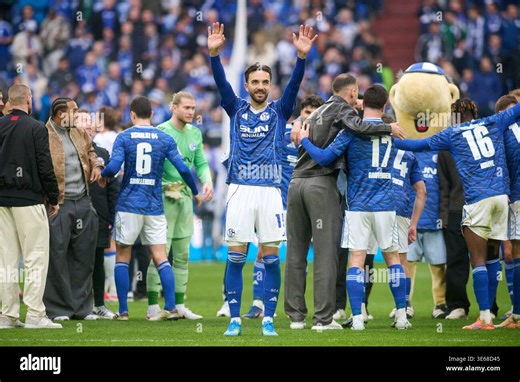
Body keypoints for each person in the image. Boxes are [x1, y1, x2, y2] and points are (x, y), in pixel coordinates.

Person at [208, 22, 317, 336]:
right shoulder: (235, 107)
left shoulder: (281, 110)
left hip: (270, 192)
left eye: (264, 82)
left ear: (270, 85)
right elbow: (220, 84)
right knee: (236, 258)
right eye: (254, 81)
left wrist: (301, 59)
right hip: (240, 190)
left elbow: (295, 86)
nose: (260, 86)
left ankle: (268, 318)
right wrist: (214, 56)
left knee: (270, 259)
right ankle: (234, 319)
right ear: (246, 84)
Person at [394, 99, 520, 329]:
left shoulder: (451, 134)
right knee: (494, 257)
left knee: (478, 260)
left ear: (453, 117)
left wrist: (386, 138)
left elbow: (416, 145)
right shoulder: (494, 121)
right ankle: (498, 312)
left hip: (477, 200)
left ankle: (484, 318)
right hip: (502, 198)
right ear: (475, 111)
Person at [298, 84, 411, 331]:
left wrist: (305, 141)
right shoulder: (392, 131)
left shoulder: (351, 132)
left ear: (361, 104)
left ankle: (358, 318)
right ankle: (402, 316)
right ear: (384, 107)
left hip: (358, 205)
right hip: (386, 205)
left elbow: (325, 158)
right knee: (393, 260)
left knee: (356, 261)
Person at [101, 96, 201, 320]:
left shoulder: (124, 137)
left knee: (123, 256)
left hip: (128, 204)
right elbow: (184, 170)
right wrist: (195, 191)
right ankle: (173, 308)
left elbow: (115, 166)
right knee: (160, 256)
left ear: (132, 114)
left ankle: (124, 311)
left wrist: (102, 174)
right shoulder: (163, 138)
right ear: (153, 115)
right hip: (154, 205)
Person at [241, 94, 325, 320]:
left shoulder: (323, 137)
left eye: (315, 112)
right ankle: (259, 303)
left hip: (307, 204)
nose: (311, 116)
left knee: (302, 256)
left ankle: (299, 304)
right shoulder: (284, 133)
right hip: (278, 203)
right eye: (307, 112)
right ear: (301, 113)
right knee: (264, 253)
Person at [146, 91, 213, 321]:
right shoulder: (162, 132)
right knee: (159, 254)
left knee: (183, 255)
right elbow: (152, 167)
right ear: (174, 108)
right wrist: (162, 186)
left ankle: (180, 306)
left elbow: (201, 163)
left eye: (193, 108)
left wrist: (207, 182)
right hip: (163, 200)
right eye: (186, 108)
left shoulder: (195, 133)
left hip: (185, 201)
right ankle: (153, 307)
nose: (191, 112)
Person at [0, 84, 61, 329]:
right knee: (35, 258)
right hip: (29, 200)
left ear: (8, 101)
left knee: (6, 261)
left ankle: (7, 315)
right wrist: (54, 197)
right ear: (28, 99)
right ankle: (35, 315)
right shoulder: (36, 128)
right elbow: (45, 166)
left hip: (2, 202)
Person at [43, 97, 104, 321]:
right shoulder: (43, 134)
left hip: (83, 200)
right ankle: (58, 309)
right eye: (74, 111)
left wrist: (96, 165)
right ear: (61, 114)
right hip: (58, 203)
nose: (77, 115)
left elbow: (91, 152)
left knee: (84, 256)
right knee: (57, 256)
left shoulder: (79, 131)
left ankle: (82, 309)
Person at [78, 109, 118, 319]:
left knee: (98, 259)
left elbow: (112, 187)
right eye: (83, 121)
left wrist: (112, 216)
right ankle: (79, 304)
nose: (88, 125)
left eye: (90, 122)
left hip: (99, 214)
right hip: (75, 212)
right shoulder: (69, 150)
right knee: (76, 259)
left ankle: (99, 304)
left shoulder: (103, 153)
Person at [494, 94, 520, 329]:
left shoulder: (500, 133)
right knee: (511, 253)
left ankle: (517, 314)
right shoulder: (502, 133)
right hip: (512, 198)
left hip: (516, 198)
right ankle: (516, 310)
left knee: (515, 253)